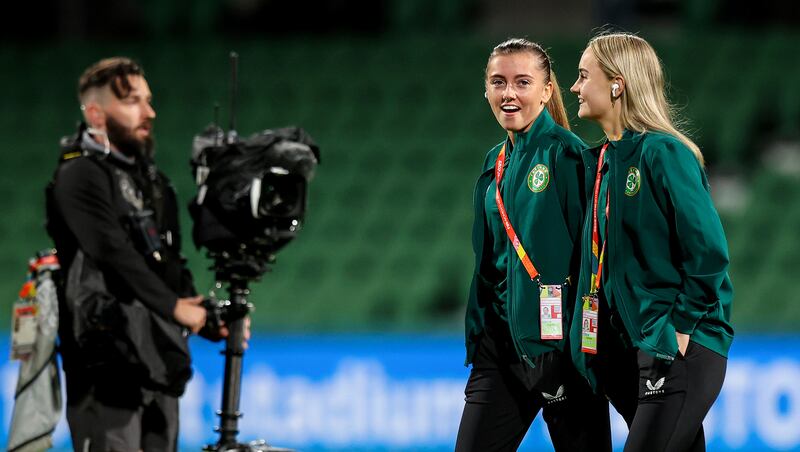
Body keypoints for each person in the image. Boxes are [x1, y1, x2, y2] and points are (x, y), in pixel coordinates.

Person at [46, 57, 223, 451]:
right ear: (96, 114)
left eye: (148, 100)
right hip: (105, 364)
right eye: (132, 102)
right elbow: (111, 250)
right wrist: (175, 308)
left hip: (157, 359)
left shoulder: (156, 183)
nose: (149, 112)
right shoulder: (79, 175)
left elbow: (168, 261)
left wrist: (205, 313)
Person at [568, 32, 734, 451]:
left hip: (677, 344)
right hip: (629, 351)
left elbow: (709, 251)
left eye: (584, 75)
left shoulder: (664, 154)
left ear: (617, 83)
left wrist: (679, 326)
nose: (575, 87)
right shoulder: (600, 162)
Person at [456, 38, 611, 452]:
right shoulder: (494, 162)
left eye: (522, 82)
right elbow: (489, 263)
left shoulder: (567, 154)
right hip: (501, 352)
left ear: (546, 91)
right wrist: (481, 334)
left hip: (559, 351)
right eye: (498, 82)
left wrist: (578, 346)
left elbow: (592, 257)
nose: (509, 93)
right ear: (485, 89)